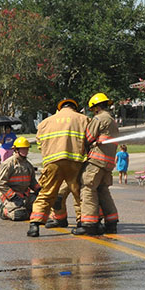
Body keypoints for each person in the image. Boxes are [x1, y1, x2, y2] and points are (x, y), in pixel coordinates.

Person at [28, 98, 90, 238]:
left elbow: (39, 144)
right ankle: (82, 223)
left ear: (60, 108)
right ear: (74, 108)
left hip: (52, 163)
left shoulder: (45, 123)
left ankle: (34, 225)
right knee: (79, 195)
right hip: (75, 162)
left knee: (46, 193)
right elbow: (90, 140)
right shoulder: (84, 119)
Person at [73, 93, 120, 236]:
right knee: (103, 191)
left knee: (88, 189)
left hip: (96, 161)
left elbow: (87, 137)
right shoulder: (112, 119)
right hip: (108, 162)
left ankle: (89, 225)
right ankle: (111, 223)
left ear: (96, 107)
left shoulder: (99, 118)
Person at [0, 138, 39, 221]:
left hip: (25, 195)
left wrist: (39, 190)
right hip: (11, 196)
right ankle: (4, 211)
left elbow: (32, 182)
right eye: (23, 149)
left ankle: (25, 208)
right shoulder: (8, 164)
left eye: (26, 148)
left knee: (42, 208)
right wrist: (13, 196)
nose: (25, 151)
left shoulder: (28, 165)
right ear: (16, 149)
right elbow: (0, 184)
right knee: (20, 215)